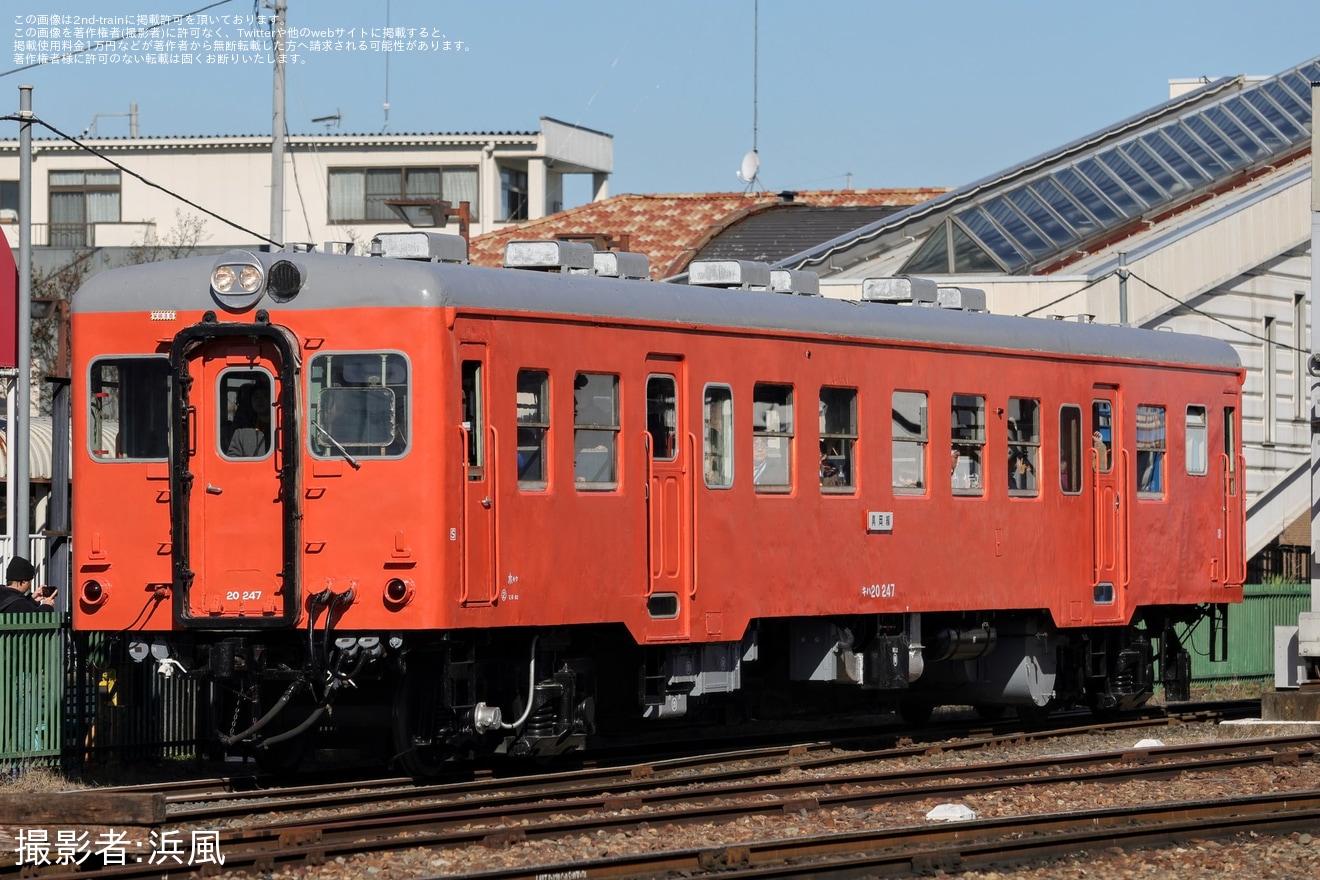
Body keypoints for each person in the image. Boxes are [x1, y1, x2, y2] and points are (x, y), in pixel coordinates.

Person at [227, 383, 270, 457]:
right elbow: (233, 459)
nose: (260, 401)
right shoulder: (241, 433)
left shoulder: (281, 430)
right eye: (256, 397)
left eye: (265, 396)